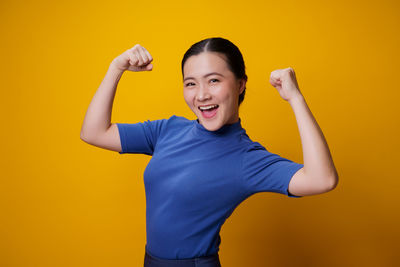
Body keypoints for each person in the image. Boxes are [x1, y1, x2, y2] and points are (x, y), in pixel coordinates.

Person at [80, 37, 339, 267]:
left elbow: (322, 179)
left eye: (213, 80)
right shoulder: (168, 130)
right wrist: (116, 68)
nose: (202, 95)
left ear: (240, 85)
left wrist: (295, 98)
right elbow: (94, 132)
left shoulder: (246, 158)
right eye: (190, 84)